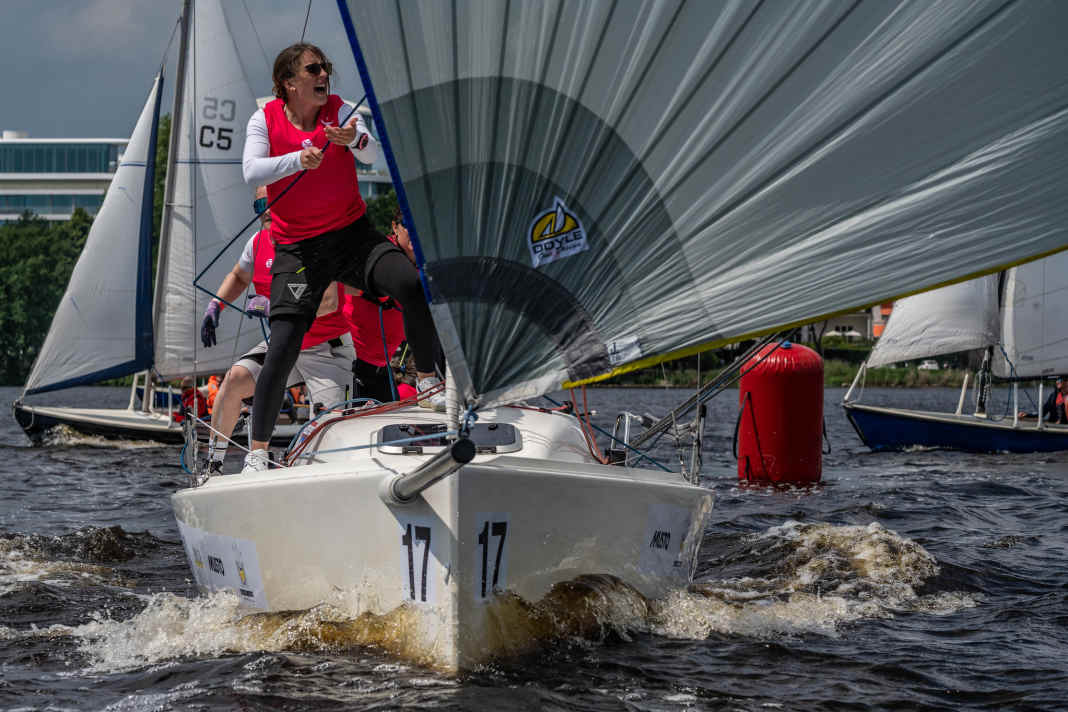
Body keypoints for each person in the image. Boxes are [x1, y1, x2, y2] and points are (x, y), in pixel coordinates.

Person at [240, 43, 443, 473]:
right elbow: (252, 170)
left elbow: (372, 152)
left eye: (326, 68)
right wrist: (298, 160)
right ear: (288, 82)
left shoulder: (340, 108)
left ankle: (428, 382)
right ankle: (257, 453)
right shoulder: (265, 119)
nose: (324, 75)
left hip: (352, 237)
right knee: (283, 344)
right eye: (313, 69)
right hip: (300, 250)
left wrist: (355, 139)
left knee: (410, 284)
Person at [199, 186, 355, 474]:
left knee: (327, 429)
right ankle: (213, 466)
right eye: (261, 205)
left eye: (274, 201)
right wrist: (215, 305)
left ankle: (306, 470)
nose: (268, 210)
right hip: (283, 343)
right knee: (234, 379)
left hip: (326, 349)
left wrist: (274, 307)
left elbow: (329, 302)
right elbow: (239, 276)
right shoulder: (256, 243)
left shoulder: (316, 240)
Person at [346, 210, 413, 403]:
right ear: (395, 227)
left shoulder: (423, 261)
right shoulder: (379, 252)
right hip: (353, 362)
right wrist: (377, 291)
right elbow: (342, 284)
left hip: (382, 365)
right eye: (408, 225)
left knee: (393, 420)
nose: (415, 232)